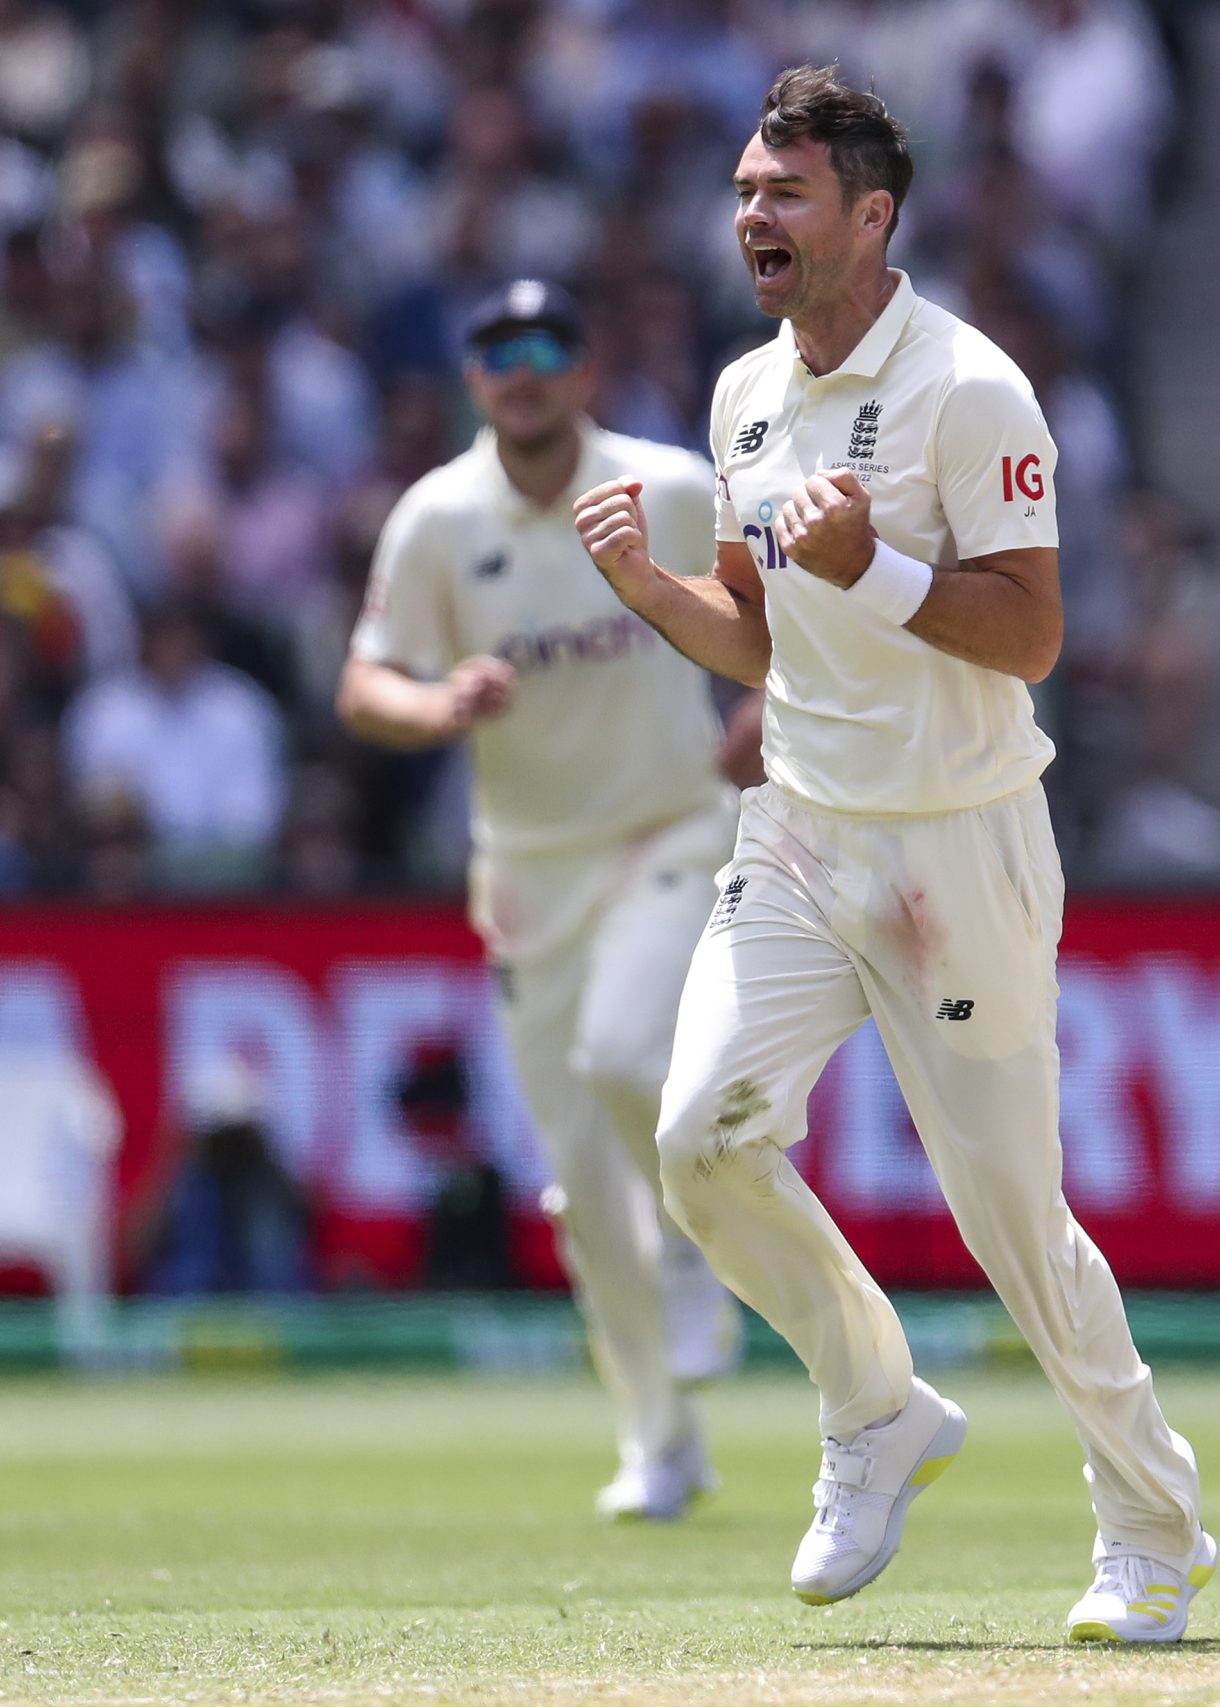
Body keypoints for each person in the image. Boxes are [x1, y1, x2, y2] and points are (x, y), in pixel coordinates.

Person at [570, 66, 1212, 1641]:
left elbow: (1035, 633)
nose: (752, 216)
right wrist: (656, 596)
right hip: (800, 827)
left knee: (1011, 1218)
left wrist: (880, 564)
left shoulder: (970, 387)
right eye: (744, 191)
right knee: (698, 1138)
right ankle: (875, 1403)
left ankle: (1152, 1526)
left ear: (872, 215)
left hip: (958, 843)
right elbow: (763, 633)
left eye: (784, 193)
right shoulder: (745, 395)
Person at [337, 278, 743, 1522]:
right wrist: (436, 704)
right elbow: (364, 682)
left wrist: (762, 711)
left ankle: (694, 1244)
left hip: (672, 827)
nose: (523, 369)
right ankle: (659, 1440)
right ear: (474, 379)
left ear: (584, 370)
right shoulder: (438, 518)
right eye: (498, 351)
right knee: (576, 1182)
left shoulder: (668, 487)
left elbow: (780, 613)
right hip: (528, 871)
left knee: (627, 1052)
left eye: (547, 346)